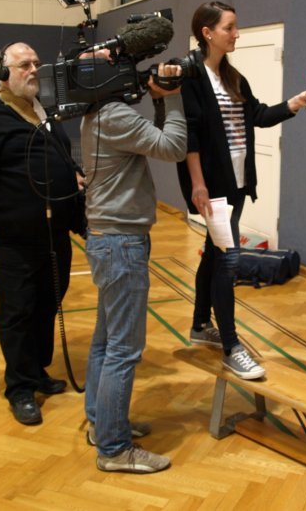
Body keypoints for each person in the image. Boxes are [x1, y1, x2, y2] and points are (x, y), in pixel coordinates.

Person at [177, 1, 306, 380]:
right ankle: (231, 347)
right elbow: (190, 136)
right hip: (211, 187)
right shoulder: (191, 75)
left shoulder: (233, 77)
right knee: (227, 262)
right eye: (229, 28)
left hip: (238, 184)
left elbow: (258, 115)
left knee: (214, 254)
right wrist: (197, 184)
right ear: (207, 33)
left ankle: (199, 324)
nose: (236, 34)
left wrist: (293, 103)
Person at [0, 42, 84, 426]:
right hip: (14, 239)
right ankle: (20, 388)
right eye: (24, 65)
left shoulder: (44, 112)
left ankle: (36, 371)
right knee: (18, 312)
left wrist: (73, 173)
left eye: (36, 63)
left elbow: (61, 156)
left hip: (54, 234)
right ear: (3, 74)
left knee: (47, 304)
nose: (33, 70)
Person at [80, 58, 187, 474]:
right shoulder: (116, 115)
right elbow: (173, 147)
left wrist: (158, 100)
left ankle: (102, 423)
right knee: (124, 350)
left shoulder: (98, 113)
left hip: (108, 239)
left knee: (106, 342)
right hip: (121, 243)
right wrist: (173, 97)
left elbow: (153, 141)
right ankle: (114, 449)